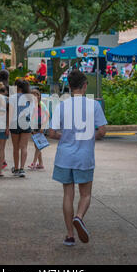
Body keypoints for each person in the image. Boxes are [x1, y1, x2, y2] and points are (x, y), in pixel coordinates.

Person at [49, 70, 107, 247]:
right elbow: (103, 131)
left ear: (69, 86)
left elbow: (51, 132)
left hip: (64, 156)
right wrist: (91, 136)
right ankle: (79, 217)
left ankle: (69, 235)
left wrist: (65, 137)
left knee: (68, 194)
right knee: (85, 194)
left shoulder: (61, 105)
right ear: (84, 86)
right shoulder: (94, 105)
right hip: (85, 156)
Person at [8, 79, 32, 178]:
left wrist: (7, 126)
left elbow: (11, 112)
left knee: (16, 147)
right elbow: (32, 112)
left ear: (19, 88)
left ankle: (16, 168)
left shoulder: (12, 97)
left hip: (15, 122)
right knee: (24, 147)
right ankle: (22, 168)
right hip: (26, 121)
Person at [28, 89, 49, 170]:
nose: (35, 96)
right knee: (37, 145)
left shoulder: (41, 104)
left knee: (38, 145)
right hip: (34, 126)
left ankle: (34, 163)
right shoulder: (30, 105)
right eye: (33, 95)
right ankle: (40, 163)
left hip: (40, 126)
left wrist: (43, 127)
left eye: (37, 94)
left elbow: (47, 115)